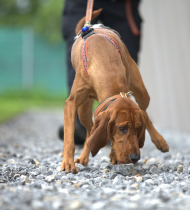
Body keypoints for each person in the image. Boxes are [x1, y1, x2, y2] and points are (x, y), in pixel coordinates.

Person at [58, 0, 142, 144]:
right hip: (82, 3)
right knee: (80, 53)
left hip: (123, 4)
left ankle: (117, 126)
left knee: (126, 56)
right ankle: (81, 128)